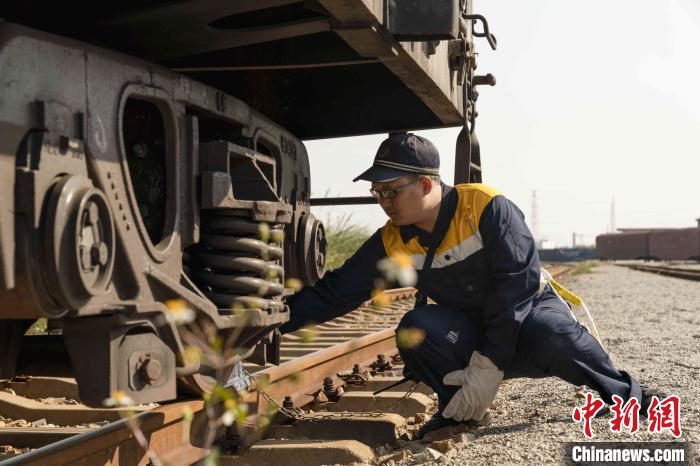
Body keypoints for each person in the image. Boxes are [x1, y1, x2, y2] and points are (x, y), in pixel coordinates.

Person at [281, 133, 654, 438]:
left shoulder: (486, 207)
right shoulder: (391, 240)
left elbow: (516, 290)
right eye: (377, 193)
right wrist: (274, 321)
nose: (383, 202)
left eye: (391, 191)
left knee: (554, 333)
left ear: (426, 183)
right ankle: (461, 411)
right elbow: (338, 291)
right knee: (417, 329)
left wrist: (488, 365)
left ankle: (629, 397)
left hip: (526, 316)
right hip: (468, 329)